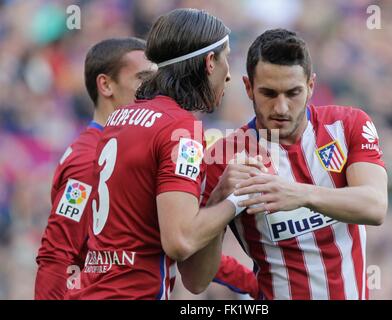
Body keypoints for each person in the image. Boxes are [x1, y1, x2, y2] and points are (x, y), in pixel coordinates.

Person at [70, 9, 262, 300]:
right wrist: (238, 200)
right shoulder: (180, 127)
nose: (230, 76)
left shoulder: (121, 118)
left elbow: (155, 233)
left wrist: (220, 192)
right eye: (227, 58)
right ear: (210, 62)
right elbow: (180, 241)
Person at [201, 29, 388, 300]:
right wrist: (218, 198)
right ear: (248, 87)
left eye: (293, 93)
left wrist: (299, 194)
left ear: (311, 86)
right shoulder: (224, 156)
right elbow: (194, 273)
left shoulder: (347, 126)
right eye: (269, 93)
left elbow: (375, 206)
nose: (281, 108)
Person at [35, 37, 153, 299]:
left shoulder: (122, 151)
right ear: (106, 85)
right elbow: (57, 255)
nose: (154, 91)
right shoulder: (89, 161)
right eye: (143, 79)